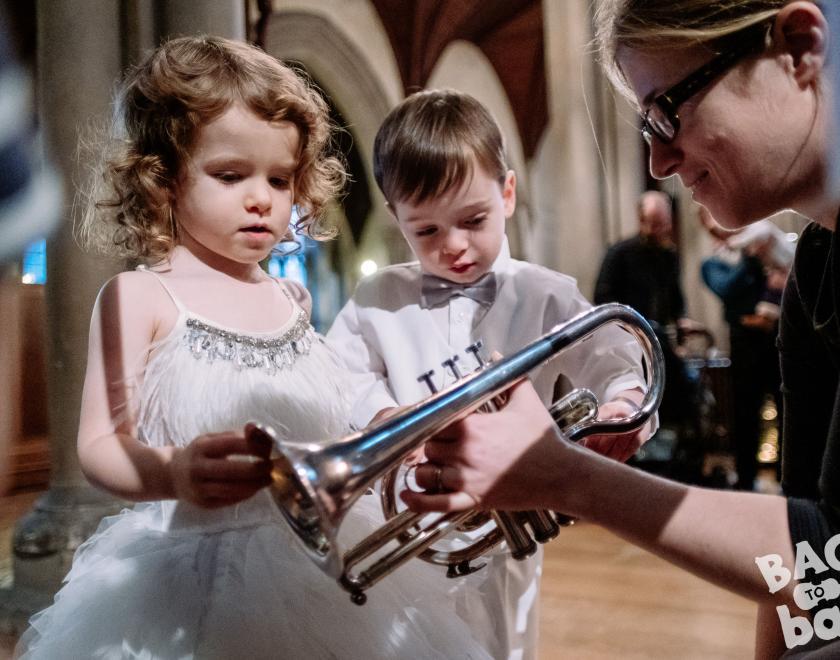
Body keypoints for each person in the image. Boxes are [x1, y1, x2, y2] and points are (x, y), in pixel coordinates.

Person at [15, 36, 491, 660]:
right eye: (231, 175)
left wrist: (381, 428)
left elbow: (317, 420)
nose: (262, 198)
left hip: (321, 557)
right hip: (190, 573)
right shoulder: (138, 296)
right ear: (162, 177)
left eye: (281, 178)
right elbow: (100, 445)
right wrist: (173, 471)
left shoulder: (291, 299)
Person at [403, 2, 840, 657]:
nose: (659, 160)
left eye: (667, 111)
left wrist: (566, 476)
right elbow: (806, 556)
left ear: (800, 48)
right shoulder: (818, 260)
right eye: (645, 126)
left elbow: (833, 551)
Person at [327, 88, 654, 660]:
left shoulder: (548, 294)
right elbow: (338, 374)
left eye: (472, 220)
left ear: (506, 192)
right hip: (407, 516)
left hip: (504, 548)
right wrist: (384, 419)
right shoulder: (377, 297)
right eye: (425, 231)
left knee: (505, 646)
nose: (453, 246)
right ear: (395, 218)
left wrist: (620, 406)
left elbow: (614, 360)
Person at [699, 208, 789, 490]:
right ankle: (746, 481)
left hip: (778, 340)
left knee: (787, 409)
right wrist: (750, 255)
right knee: (745, 413)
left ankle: (789, 479)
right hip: (744, 343)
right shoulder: (713, 263)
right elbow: (727, 288)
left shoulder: (765, 249)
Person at [594, 190, 686, 329]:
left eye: (664, 224)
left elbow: (675, 296)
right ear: (642, 221)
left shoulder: (669, 255)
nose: (661, 230)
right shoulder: (619, 253)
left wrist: (680, 320)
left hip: (660, 334)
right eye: (655, 224)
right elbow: (603, 298)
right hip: (627, 334)